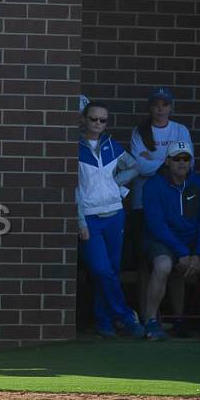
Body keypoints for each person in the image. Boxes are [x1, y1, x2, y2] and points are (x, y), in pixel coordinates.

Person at [141, 141, 200, 340]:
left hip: (195, 244)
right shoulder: (153, 185)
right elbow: (157, 226)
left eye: (186, 158)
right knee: (162, 265)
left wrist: (199, 255)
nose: (182, 163)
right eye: (177, 158)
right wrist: (183, 253)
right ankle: (151, 322)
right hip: (163, 242)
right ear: (168, 161)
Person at [76, 99, 144, 339]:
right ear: (84, 120)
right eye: (93, 118)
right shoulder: (75, 148)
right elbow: (73, 189)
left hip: (115, 214)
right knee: (100, 269)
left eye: (102, 120)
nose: (97, 123)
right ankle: (125, 315)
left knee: (111, 271)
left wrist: (117, 184)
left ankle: (104, 322)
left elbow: (135, 166)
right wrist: (81, 221)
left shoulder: (112, 146)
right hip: (91, 218)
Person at [128, 87, 193, 321]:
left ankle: (177, 318)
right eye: (156, 104)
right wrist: (167, 162)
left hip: (172, 202)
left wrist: (152, 160)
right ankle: (148, 317)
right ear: (150, 106)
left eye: (164, 104)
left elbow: (186, 163)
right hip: (141, 203)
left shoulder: (180, 130)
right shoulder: (140, 131)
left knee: (171, 261)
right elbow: (138, 167)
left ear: (171, 107)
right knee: (145, 263)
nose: (160, 109)